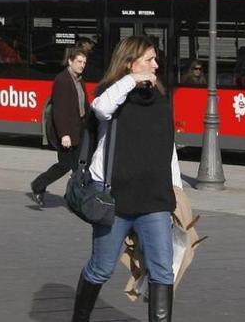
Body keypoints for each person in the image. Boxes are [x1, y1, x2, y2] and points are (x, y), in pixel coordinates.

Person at [72, 35, 183, 322]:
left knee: (163, 270)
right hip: (115, 198)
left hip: (154, 199)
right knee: (102, 268)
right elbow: (101, 108)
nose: (156, 65)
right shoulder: (114, 94)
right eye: (149, 60)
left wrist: (177, 191)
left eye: (155, 59)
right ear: (130, 63)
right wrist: (132, 80)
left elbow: (167, 147)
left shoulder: (159, 98)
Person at [29, 48, 88, 206]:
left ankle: (75, 198)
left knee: (78, 166)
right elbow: (59, 110)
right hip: (67, 132)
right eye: (79, 62)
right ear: (70, 61)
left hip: (78, 129)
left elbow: (83, 105)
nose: (82, 65)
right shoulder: (62, 80)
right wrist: (64, 135)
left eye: (84, 62)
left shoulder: (79, 79)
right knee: (64, 165)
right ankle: (38, 185)